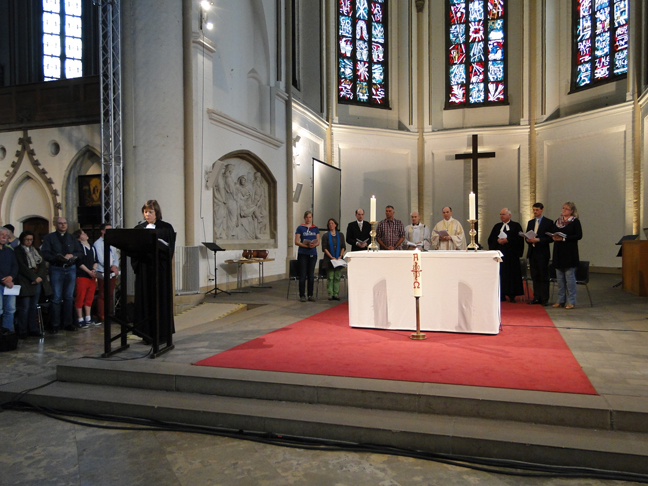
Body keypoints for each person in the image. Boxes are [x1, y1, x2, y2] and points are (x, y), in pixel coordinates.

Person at [133, 200, 176, 344]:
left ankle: (162, 335)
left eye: (150, 212)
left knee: (160, 300)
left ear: (156, 212)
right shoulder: (139, 229)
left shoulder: (166, 228)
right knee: (145, 300)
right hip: (144, 270)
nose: (147, 215)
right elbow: (133, 249)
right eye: (145, 212)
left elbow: (169, 249)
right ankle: (146, 334)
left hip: (159, 271)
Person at [41, 217, 78, 333]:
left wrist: (72, 256)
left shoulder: (72, 238)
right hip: (56, 268)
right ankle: (55, 324)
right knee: (56, 297)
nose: (63, 225)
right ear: (56, 225)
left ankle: (68, 323)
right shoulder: (49, 238)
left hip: (70, 268)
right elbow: (45, 254)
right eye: (60, 223)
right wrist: (57, 258)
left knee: (69, 297)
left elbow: (79, 252)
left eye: (65, 223)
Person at [15, 231, 52, 338]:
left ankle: (33, 328)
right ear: (22, 239)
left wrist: (38, 277)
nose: (29, 241)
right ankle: (22, 330)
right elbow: (21, 266)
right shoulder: (18, 250)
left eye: (31, 239)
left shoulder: (36, 250)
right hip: (25, 281)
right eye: (27, 239)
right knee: (24, 307)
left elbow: (42, 264)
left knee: (33, 306)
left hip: (37, 280)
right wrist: (33, 277)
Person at [487, 208, 525, 303]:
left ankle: (512, 295)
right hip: (500, 255)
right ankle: (501, 294)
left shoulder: (516, 226)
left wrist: (508, 240)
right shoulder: (497, 226)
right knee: (501, 275)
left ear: (509, 215)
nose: (501, 216)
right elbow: (490, 239)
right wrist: (497, 240)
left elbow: (519, 240)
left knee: (512, 275)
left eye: (503, 214)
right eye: (500, 214)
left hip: (511, 256)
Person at [551, 201, 583, 309]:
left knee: (569, 279)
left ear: (572, 211)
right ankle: (561, 300)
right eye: (563, 208)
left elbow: (579, 235)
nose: (564, 210)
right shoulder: (557, 221)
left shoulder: (575, 221)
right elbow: (553, 232)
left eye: (566, 209)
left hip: (569, 252)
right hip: (558, 251)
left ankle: (571, 301)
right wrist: (554, 236)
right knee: (560, 279)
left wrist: (564, 238)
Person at [524, 203, 554, 306]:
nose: (535, 212)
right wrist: (528, 240)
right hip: (533, 252)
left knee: (543, 276)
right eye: (534, 210)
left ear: (542, 210)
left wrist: (539, 240)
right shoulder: (531, 222)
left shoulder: (548, 222)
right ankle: (536, 297)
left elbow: (551, 238)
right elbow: (527, 236)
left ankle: (544, 299)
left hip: (543, 253)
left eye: (537, 210)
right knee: (535, 276)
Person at [94, 223, 119, 324]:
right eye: (108, 229)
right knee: (103, 294)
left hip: (112, 271)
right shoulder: (98, 243)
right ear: (102, 231)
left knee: (110, 293)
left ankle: (109, 313)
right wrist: (110, 266)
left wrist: (115, 266)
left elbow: (116, 255)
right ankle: (101, 314)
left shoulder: (112, 242)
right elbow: (100, 258)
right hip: (103, 270)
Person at [72, 229, 97, 328]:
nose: (85, 234)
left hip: (91, 276)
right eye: (83, 234)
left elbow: (96, 260)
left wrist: (93, 270)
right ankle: (80, 318)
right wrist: (88, 271)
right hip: (82, 275)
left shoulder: (92, 247)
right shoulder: (78, 247)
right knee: (80, 297)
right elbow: (79, 262)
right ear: (79, 237)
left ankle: (88, 317)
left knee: (89, 297)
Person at [294, 210, 320, 302]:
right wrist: (306, 245)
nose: (308, 219)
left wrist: (314, 244)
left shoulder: (315, 228)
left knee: (311, 275)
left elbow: (318, 241)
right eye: (307, 217)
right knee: (303, 274)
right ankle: (302, 295)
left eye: (310, 217)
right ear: (304, 218)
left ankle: (310, 295)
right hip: (303, 253)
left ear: (312, 218)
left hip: (312, 253)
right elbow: (296, 241)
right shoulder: (300, 228)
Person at [321, 218, 346, 301]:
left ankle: (336, 294)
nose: (331, 225)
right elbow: (324, 248)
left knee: (337, 277)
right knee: (330, 277)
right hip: (329, 260)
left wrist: (340, 255)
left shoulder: (340, 235)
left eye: (332, 223)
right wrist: (331, 256)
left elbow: (343, 246)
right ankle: (330, 294)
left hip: (338, 259)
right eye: (329, 224)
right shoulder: (325, 235)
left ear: (335, 224)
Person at [0, 227, 18, 333]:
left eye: (6, 235)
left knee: (10, 309)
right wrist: (3, 279)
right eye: (1, 234)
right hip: (2, 283)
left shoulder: (9, 250)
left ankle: (7, 333)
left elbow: (15, 265)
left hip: (9, 284)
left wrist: (11, 277)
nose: (4, 237)